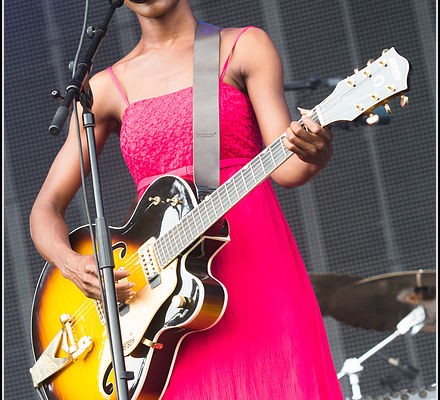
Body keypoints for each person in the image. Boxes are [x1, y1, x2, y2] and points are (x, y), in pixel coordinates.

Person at [29, 0, 343, 398]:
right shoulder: (105, 88)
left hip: (256, 265)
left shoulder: (244, 46)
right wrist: (72, 264)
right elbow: (46, 209)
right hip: (163, 301)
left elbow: (289, 168)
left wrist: (316, 152)